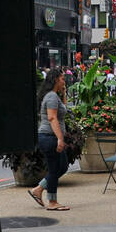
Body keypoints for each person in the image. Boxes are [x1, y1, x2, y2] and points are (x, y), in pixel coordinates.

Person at [29, 69, 71, 212]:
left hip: (51, 137)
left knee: (63, 166)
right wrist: (60, 138)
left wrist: (64, 93)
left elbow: (63, 109)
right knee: (54, 169)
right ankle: (52, 202)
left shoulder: (54, 96)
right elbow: (52, 118)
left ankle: (38, 189)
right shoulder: (51, 97)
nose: (64, 81)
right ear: (55, 80)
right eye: (62, 79)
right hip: (49, 137)